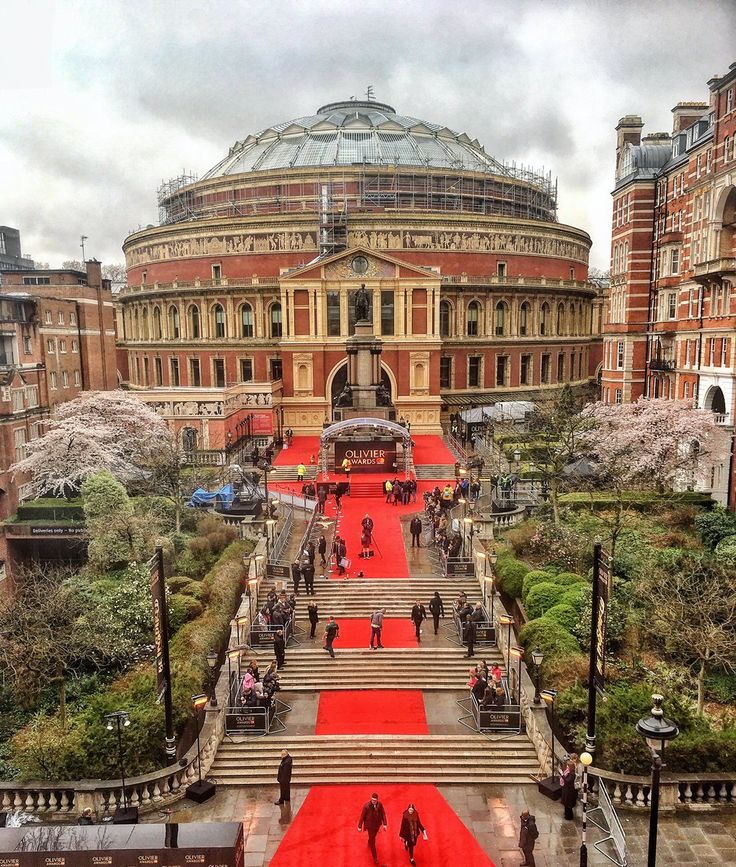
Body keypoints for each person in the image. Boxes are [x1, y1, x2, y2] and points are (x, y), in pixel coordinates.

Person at [357, 792, 388, 865]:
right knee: (373, 841)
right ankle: (375, 858)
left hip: (377, 825)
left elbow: (383, 813)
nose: (373, 801)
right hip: (370, 826)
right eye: (372, 800)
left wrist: (385, 824)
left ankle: (369, 841)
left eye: (374, 800)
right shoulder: (366, 806)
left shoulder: (380, 805)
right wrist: (359, 826)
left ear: (377, 800)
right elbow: (362, 816)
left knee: (373, 837)